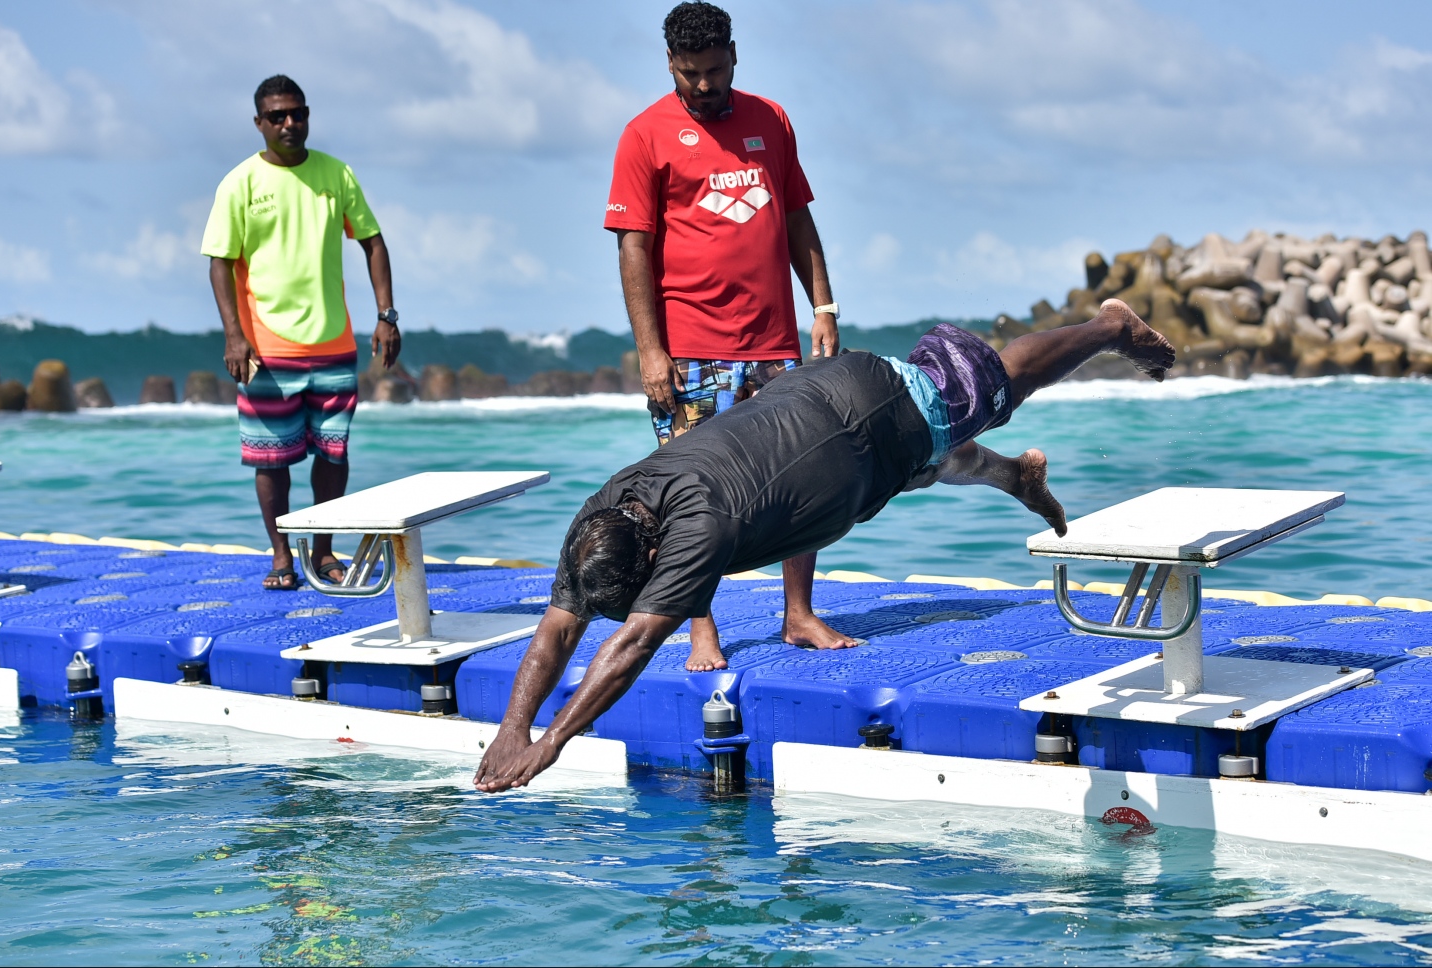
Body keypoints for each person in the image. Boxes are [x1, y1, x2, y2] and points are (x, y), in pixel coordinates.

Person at [473, 300, 1175, 792]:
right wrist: (511, 727)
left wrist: (549, 743)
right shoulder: (602, 517)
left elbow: (629, 648)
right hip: (833, 434)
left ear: (654, 558)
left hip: (865, 409)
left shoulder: (695, 528)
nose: (629, 608)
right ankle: (1014, 477)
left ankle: (1107, 326)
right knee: (925, 462)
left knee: (985, 389)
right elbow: (555, 633)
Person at [605, 2, 849, 670]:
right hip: (690, 351)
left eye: (713, 71)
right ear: (670, 67)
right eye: (689, 75)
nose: (704, 86)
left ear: (734, 56)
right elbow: (634, 249)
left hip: (773, 344)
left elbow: (797, 220)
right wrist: (651, 350)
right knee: (693, 497)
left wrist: (822, 306)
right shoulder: (645, 135)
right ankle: (700, 628)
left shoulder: (770, 120)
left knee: (807, 477)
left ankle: (798, 614)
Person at [201, 75, 401, 590]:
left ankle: (326, 552)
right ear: (259, 123)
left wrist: (386, 314)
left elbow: (373, 242)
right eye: (277, 116)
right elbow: (220, 264)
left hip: (333, 345)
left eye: (297, 113)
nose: (289, 123)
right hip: (264, 350)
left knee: (333, 454)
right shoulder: (239, 183)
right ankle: (281, 556)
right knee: (273, 460)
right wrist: (233, 335)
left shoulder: (336, 175)